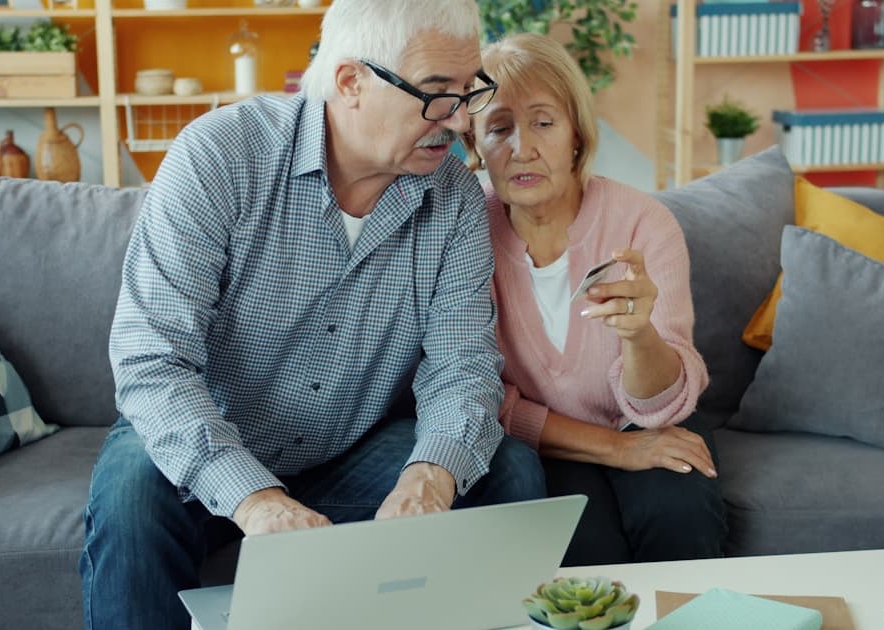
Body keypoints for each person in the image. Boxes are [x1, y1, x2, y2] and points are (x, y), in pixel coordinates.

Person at [79, 2, 547, 628]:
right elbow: (152, 362)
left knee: (507, 470)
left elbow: (462, 367)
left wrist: (430, 477)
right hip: (212, 441)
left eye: (469, 91)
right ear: (351, 82)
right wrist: (256, 498)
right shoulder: (219, 157)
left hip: (351, 451)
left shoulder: (455, 200)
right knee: (132, 495)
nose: (460, 119)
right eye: (437, 95)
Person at [461, 33, 726, 566]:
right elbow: (480, 396)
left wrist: (638, 336)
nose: (523, 149)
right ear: (474, 147)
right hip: (549, 440)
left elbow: (659, 406)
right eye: (499, 128)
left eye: (543, 122)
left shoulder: (643, 222)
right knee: (584, 551)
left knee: (681, 517)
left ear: (577, 135)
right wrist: (617, 451)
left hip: (649, 420)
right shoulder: (465, 231)